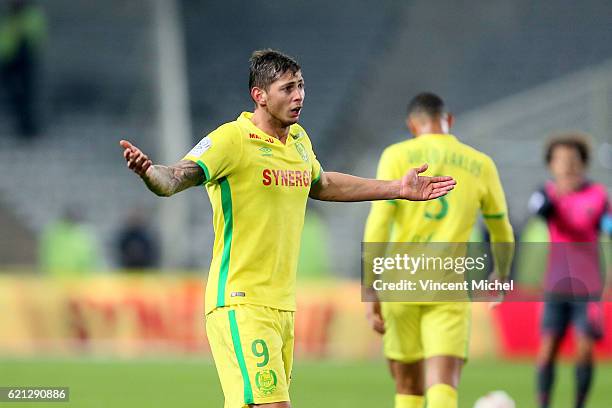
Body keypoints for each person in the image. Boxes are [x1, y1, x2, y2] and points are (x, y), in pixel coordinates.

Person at [119, 50, 456, 408]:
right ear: (259, 95)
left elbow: (322, 184)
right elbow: (175, 177)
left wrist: (396, 189)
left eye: (302, 86)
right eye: (288, 88)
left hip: (281, 304)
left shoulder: (298, 141)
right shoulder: (231, 139)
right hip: (241, 300)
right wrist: (149, 171)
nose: (299, 96)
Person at [363, 93, 514, 408]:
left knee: (408, 388)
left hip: (398, 283)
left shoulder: (395, 155)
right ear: (449, 120)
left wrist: (369, 284)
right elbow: (500, 228)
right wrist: (500, 272)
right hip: (446, 284)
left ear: (411, 125)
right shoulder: (480, 163)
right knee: (443, 386)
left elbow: (378, 223)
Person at [528, 133, 611, 408]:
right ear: (551, 164)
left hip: (587, 287)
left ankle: (578, 404)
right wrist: (556, 196)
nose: (567, 166)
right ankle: (543, 404)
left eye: (573, 160)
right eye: (561, 160)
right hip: (555, 285)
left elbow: (609, 226)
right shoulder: (545, 194)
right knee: (547, 348)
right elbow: (540, 211)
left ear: (583, 163)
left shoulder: (598, 196)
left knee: (585, 349)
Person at [0, 0, 46, 138]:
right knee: (18, 96)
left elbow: (31, 38)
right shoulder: (11, 16)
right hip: (8, 61)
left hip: (22, 62)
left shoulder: (29, 16)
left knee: (24, 96)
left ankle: (27, 129)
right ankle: (24, 128)